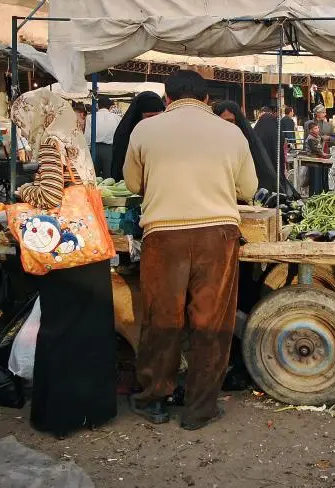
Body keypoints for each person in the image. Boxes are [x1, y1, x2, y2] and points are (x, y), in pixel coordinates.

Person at [124, 70, 256, 430]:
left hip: (164, 234)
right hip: (218, 234)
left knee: (162, 318)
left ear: (167, 98)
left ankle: (154, 399)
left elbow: (133, 183)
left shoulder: (145, 130)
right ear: (207, 99)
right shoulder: (231, 132)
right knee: (211, 322)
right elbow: (248, 188)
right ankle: (200, 408)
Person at [11, 88, 117, 437]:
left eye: (22, 120)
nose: (23, 128)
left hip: (66, 253)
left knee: (59, 331)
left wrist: (21, 192)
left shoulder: (50, 143)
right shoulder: (73, 139)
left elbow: (49, 196)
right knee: (92, 331)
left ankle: (60, 415)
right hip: (91, 248)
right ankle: (94, 411)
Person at [214, 101, 280, 195]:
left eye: (230, 121)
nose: (226, 126)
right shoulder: (211, 145)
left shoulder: (247, 143)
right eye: (222, 122)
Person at [110, 91, 165, 181]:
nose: (154, 120)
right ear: (138, 116)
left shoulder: (166, 131)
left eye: (158, 116)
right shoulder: (125, 134)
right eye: (149, 116)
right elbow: (119, 165)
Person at [85, 96, 120, 179]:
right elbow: (119, 136)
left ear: (98, 106)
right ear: (110, 107)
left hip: (94, 149)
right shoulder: (117, 118)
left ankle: (94, 192)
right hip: (110, 150)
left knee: (93, 176)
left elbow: (87, 136)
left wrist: (87, 150)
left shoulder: (91, 117)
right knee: (109, 178)